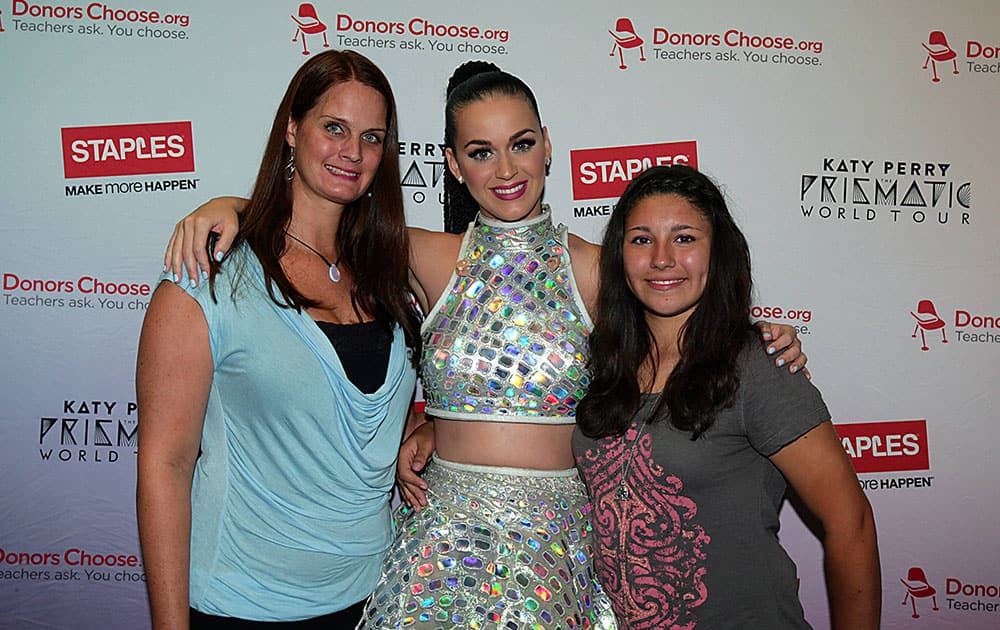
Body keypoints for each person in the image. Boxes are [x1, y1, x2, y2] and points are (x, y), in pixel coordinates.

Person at [162, 62, 807, 629]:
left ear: (547, 147)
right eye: (480, 151)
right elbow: (321, 208)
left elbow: (679, 311)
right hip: (439, 550)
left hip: (556, 550)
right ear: (451, 163)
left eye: (521, 145)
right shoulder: (423, 254)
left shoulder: (600, 270)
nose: (505, 170)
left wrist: (762, 338)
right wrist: (231, 206)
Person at [135, 50, 422, 629]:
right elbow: (165, 466)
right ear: (292, 128)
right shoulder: (207, 278)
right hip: (242, 605)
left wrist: (431, 426)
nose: (352, 152)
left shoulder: (396, 274)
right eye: (333, 128)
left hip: (376, 600)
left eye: (371, 137)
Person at [572, 165, 880, 629]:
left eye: (684, 238)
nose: (661, 259)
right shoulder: (602, 368)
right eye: (640, 239)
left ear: (718, 253)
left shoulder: (758, 365)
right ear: (618, 256)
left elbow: (851, 523)